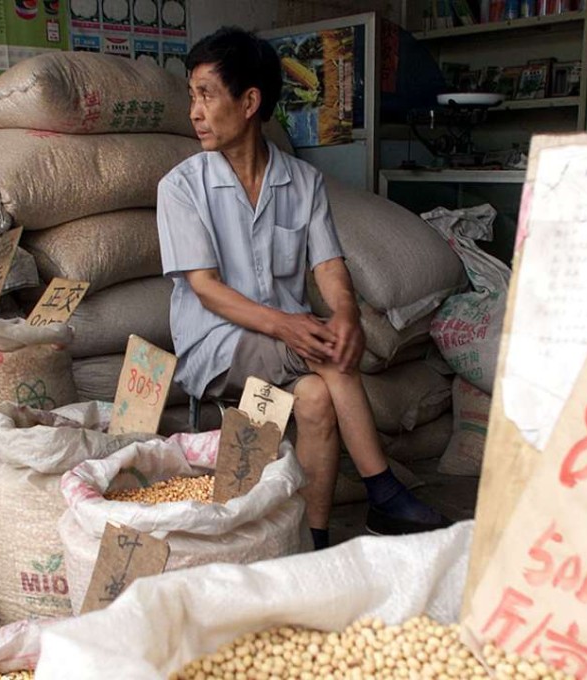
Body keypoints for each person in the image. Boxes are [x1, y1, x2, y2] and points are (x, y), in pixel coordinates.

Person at [156, 26, 447, 549]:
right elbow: (206, 289)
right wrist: (293, 326)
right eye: (191, 96)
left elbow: (330, 266)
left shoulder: (303, 182)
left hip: (288, 347)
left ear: (249, 102)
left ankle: (311, 542)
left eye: (206, 94)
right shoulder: (181, 186)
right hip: (218, 345)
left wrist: (347, 315)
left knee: (315, 398)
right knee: (327, 356)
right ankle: (383, 490)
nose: (194, 111)